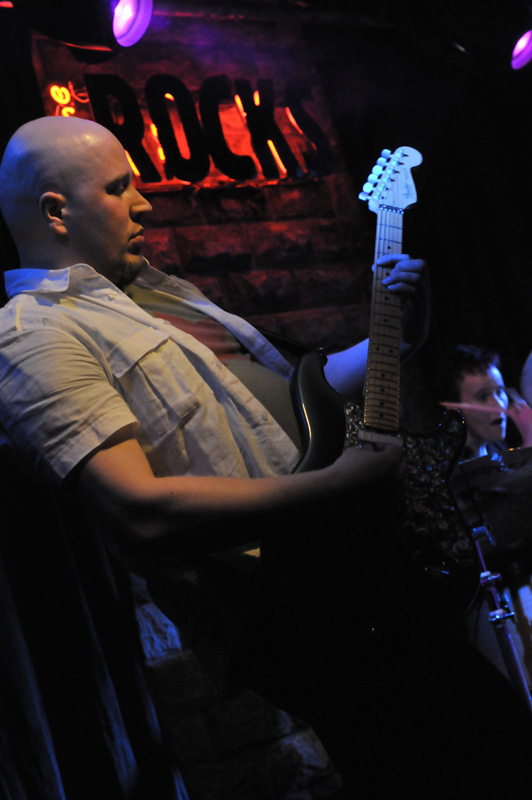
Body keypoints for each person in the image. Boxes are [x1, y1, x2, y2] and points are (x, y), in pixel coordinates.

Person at [1, 115, 531, 799]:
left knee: (492, 742)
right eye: (118, 188)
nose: (144, 204)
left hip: (353, 567)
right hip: (293, 603)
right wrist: (338, 486)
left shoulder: (156, 294)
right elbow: (137, 509)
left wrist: (395, 333)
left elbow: (296, 398)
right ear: (56, 211)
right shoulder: (34, 337)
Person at [433, 343, 532, 460]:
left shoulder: (494, 447)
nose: (499, 405)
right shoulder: (452, 464)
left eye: (500, 392)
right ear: (454, 409)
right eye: (483, 397)